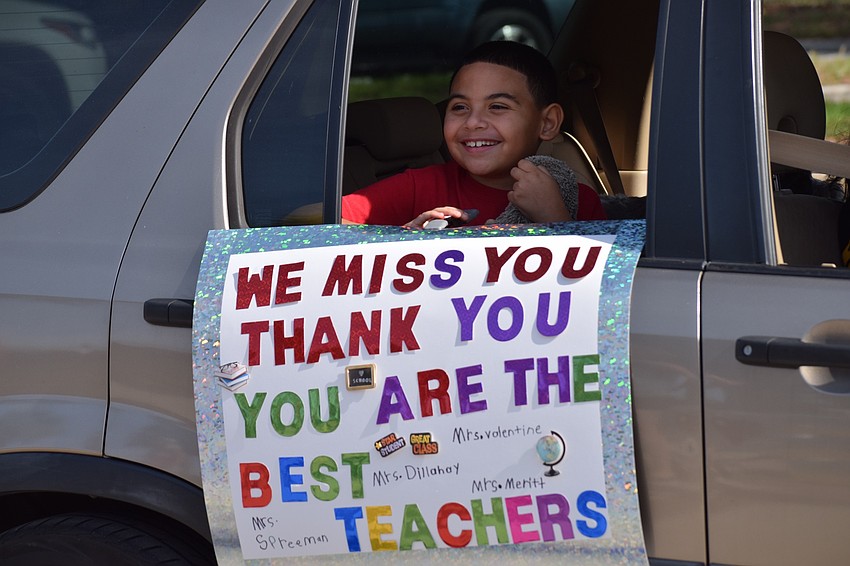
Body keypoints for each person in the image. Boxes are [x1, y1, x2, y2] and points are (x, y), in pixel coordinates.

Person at [341, 41, 607, 227]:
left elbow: (603, 280)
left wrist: (552, 217)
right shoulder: (419, 186)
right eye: (460, 107)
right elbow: (317, 220)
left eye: (498, 107)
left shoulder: (576, 199)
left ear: (547, 122)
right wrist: (403, 241)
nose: (473, 122)